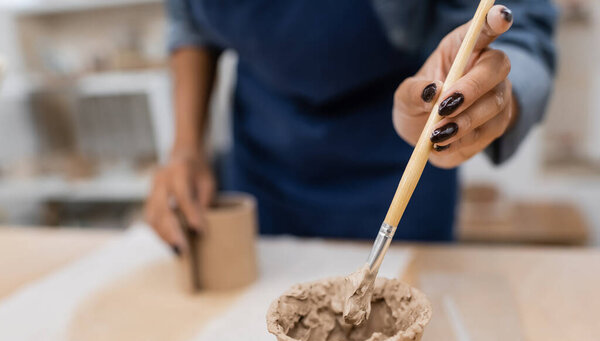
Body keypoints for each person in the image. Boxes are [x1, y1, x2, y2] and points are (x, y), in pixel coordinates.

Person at [145, 0, 556, 254]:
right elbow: (189, 20)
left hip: (399, 156)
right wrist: (186, 147)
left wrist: (488, 96)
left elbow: (518, 29)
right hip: (263, 158)